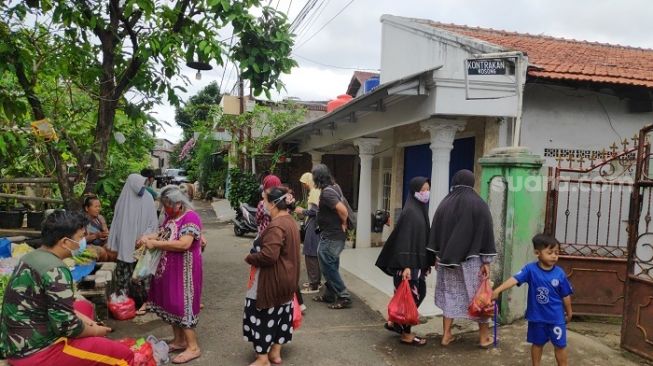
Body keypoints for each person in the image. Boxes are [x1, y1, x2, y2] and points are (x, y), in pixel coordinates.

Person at [0, 211, 134, 365]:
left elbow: (55, 305)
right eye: (80, 237)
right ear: (65, 242)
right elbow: (67, 326)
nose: (83, 241)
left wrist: (85, 322)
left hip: (18, 342)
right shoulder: (55, 270)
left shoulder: (31, 256)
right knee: (125, 356)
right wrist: (97, 331)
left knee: (84, 307)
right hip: (37, 352)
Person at [427, 169, 497, 347]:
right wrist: (486, 262)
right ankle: (483, 338)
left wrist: (437, 255)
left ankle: (446, 335)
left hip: (447, 260)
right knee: (479, 297)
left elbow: (436, 230)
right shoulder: (479, 204)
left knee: (450, 294)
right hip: (472, 260)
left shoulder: (445, 203)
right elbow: (486, 231)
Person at [492, 234, 573, 366]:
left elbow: (566, 295)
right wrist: (497, 290)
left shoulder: (559, 273)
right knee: (537, 344)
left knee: (560, 346)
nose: (554, 256)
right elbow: (514, 279)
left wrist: (569, 312)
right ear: (537, 253)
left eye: (557, 253)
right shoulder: (530, 270)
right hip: (537, 318)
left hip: (556, 319)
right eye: (550, 252)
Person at [243, 186, 300, 366]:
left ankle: (262, 358)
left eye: (266, 201)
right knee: (281, 314)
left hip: (272, 280)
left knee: (261, 316)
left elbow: (269, 256)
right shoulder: (290, 221)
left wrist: (250, 257)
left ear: (274, 204)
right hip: (288, 278)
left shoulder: (276, 225)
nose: (264, 204)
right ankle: (275, 353)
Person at [375, 176, 432, 346]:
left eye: (427, 189)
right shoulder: (411, 213)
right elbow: (405, 240)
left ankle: (394, 323)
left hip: (414, 264)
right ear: (414, 191)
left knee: (409, 296)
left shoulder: (418, 210)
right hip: (408, 266)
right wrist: (407, 265)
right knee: (412, 298)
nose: (426, 193)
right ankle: (406, 335)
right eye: (422, 190)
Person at [107, 173, 159, 315]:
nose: (141, 187)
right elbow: (117, 225)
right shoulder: (123, 200)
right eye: (139, 183)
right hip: (125, 245)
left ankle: (146, 301)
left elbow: (153, 222)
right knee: (125, 273)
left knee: (142, 273)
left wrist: (144, 237)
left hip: (142, 244)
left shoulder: (148, 198)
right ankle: (125, 301)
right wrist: (116, 244)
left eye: (143, 183)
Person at [311, 163, 352, 310]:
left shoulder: (328, 192)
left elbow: (342, 210)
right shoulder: (335, 187)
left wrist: (343, 222)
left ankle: (344, 296)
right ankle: (330, 295)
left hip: (332, 237)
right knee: (330, 265)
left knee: (328, 267)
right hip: (333, 236)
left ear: (318, 177)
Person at [295, 172, 322, 294]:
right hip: (315, 225)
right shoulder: (316, 191)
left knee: (310, 253)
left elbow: (315, 211)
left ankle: (313, 285)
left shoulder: (315, 192)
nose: (304, 186)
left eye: (305, 183)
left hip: (314, 225)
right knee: (314, 254)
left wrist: (302, 211)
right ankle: (316, 281)